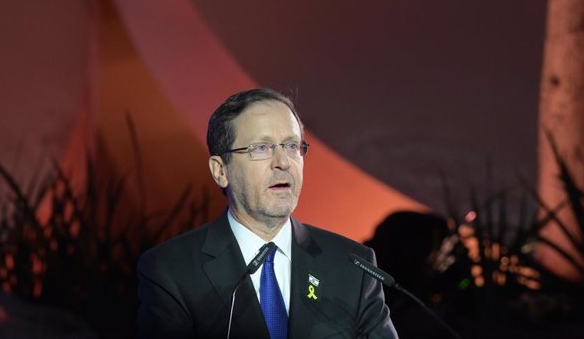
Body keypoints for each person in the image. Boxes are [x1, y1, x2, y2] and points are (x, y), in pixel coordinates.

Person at [137, 88, 398, 338]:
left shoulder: (351, 267)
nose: (283, 162)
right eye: (261, 148)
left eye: (292, 146)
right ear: (220, 170)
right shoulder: (172, 271)